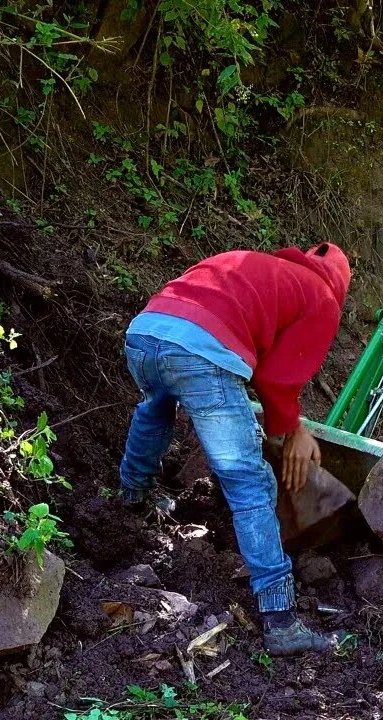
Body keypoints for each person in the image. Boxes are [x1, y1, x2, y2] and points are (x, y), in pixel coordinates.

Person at [117, 242, 352, 656]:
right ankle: (281, 621)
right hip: (198, 353)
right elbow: (278, 377)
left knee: (155, 408)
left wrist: (286, 424)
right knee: (248, 482)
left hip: (145, 332)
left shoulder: (263, 268)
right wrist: (292, 430)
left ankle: (131, 499)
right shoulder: (322, 298)